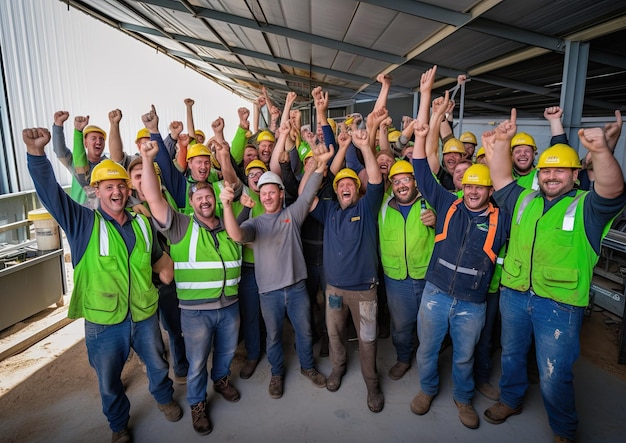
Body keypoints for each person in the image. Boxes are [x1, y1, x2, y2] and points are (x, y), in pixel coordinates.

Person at [24, 127, 182, 443]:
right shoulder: (83, 223)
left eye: (121, 186)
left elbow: (159, 263)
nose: (116, 192)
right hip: (104, 322)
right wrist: (37, 154)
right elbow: (51, 194)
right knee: (109, 381)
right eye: (108, 187)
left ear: (128, 189)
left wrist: (172, 269)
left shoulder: (143, 223)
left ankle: (164, 399)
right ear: (96, 190)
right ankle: (118, 424)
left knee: (157, 363)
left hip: (144, 314)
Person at [484, 109, 626, 443]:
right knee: (511, 355)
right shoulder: (523, 199)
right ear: (538, 173)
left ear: (575, 175)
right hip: (515, 293)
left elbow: (613, 189)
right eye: (546, 170)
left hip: (559, 305)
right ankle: (510, 400)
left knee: (554, 372)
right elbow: (501, 176)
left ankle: (563, 429)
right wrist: (502, 142)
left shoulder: (588, 207)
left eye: (560, 170)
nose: (551, 176)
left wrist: (603, 151)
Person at [410, 95, 510, 430]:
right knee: (427, 349)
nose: (473, 192)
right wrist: (424, 132)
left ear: (489, 190)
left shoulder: (502, 218)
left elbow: (511, 182)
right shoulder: (447, 204)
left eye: (480, 187)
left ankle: (463, 399)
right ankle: (427, 390)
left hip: (472, 302)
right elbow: (421, 169)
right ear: (461, 186)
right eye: (468, 186)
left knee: (464, 356)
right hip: (435, 294)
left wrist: (499, 147)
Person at [138, 138, 242, 436]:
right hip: (196, 312)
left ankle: (221, 380)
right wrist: (147, 159)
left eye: (209, 197)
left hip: (229, 306)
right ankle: (198, 403)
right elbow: (154, 198)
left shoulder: (227, 223)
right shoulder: (180, 225)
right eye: (199, 199)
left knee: (226, 352)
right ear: (191, 203)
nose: (205, 201)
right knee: (197, 364)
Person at [219, 138, 333, 400]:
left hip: (296, 289)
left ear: (281, 194)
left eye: (273, 191)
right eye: (264, 192)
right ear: (260, 195)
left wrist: (319, 167)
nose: (268, 196)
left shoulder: (292, 215)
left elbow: (307, 196)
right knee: (273, 336)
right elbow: (236, 235)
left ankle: (308, 367)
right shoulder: (256, 223)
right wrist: (227, 206)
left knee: (304, 331)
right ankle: (277, 373)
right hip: (268, 292)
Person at [309, 122, 386, 413]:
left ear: (357, 189)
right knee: (334, 334)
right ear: (336, 190)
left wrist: (365, 146)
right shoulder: (328, 211)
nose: (344, 187)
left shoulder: (367, 208)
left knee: (367, 340)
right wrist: (320, 166)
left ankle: (372, 384)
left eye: (350, 184)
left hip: (365, 292)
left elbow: (377, 181)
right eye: (340, 184)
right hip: (334, 291)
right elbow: (307, 195)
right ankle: (338, 369)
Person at [127, 157, 189, 384]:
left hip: (169, 276)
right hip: (145, 281)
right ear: (131, 183)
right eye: (138, 177)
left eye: (147, 175)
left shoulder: (165, 200)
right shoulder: (126, 208)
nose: (144, 181)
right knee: (149, 333)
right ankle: (158, 376)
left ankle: (182, 369)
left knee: (176, 327)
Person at [378, 159, 435, 380]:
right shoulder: (383, 205)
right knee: (401, 326)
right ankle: (403, 359)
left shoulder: (429, 201)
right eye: (396, 181)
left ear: (415, 182)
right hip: (396, 277)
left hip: (427, 277)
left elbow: (450, 230)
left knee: (429, 326)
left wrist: (437, 221)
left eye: (406, 180)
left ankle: (426, 363)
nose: (401, 185)